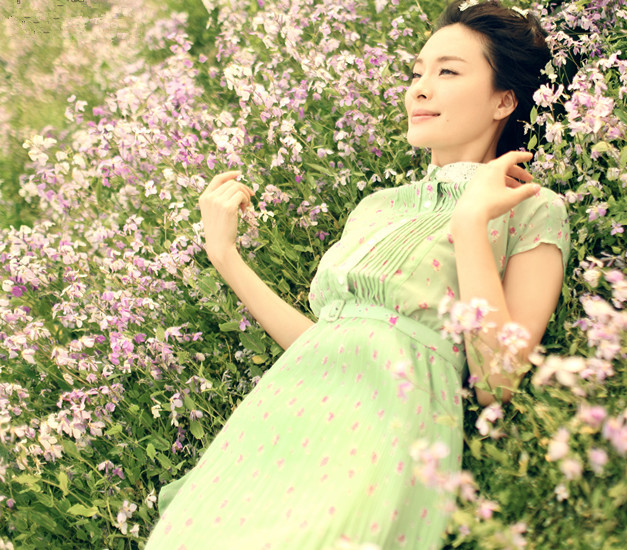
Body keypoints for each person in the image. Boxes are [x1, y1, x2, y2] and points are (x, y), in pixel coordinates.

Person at [144, 0, 570, 548]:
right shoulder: (378, 206)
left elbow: (497, 381)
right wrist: (225, 256)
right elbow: (327, 338)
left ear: (503, 100)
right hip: (278, 417)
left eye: (447, 72)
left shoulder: (532, 209)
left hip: (379, 431)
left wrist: (469, 223)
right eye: (416, 73)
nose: (419, 90)